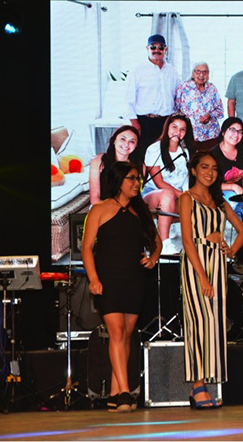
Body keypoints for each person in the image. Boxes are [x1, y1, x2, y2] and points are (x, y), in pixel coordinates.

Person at [82, 161, 161, 412]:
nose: (136, 183)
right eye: (131, 178)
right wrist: (94, 279)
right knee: (116, 332)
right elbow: (87, 248)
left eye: (138, 178)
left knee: (126, 334)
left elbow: (157, 242)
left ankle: (115, 394)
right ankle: (126, 392)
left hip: (135, 279)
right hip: (108, 280)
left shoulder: (141, 211)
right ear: (118, 181)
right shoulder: (99, 209)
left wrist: (153, 259)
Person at [180, 151, 243, 409]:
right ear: (194, 170)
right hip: (195, 263)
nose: (210, 173)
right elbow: (187, 240)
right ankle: (197, 384)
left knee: (215, 322)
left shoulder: (219, 202)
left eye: (214, 168)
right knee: (200, 321)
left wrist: (230, 250)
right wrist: (202, 277)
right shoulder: (186, 198)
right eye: (204, 167)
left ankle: (205, 385)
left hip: (217, 264)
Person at [143, 114, 196, 249]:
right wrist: (183, 196)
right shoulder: (154, 149)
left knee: (200, 203)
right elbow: (159, 182)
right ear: (167, 127)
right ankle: (164, 243)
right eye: (174, 127)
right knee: (167, 194)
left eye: (182, 129)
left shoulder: (185, 151)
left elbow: (186, 179)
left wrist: (189, 195)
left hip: (176, 196)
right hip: (153, 195)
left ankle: (166, 223)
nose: (178, 132)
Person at [125, 34, 181, 161]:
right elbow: (128, 98)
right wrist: (134, 122)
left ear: (166, 49)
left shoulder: (172, 71)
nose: (157, 50)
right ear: (147, 48)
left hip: (166, 122)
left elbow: (178, 96)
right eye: (153, 47)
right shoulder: (138, 70)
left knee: (163, 156)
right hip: (144, 122)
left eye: (160, 47)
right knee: (141, 156)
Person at [210, 117, 243, 226]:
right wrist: (233, 187)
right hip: (220, 194)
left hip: (240, 196)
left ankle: (232, 217)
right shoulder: (212, 154)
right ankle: (219, 217)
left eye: (240, 132)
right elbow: (209, 183)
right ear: (223, 132)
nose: (236, 134)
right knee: (232, 199)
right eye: (232, 130)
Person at [175, 62, 224, 151]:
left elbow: (220, 111)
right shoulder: (183, 88)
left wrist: (210, 115)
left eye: (205, 72)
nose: (201, 75)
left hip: (211, 136)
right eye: (198, 71)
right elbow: (176, 109)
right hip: (190, 136)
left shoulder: (212, 89)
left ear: (208, 74)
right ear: (193, 73)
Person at [88, 125, 142, 205]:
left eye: (132, 141)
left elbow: (136, 197)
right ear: (114, 140)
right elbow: (95, 198)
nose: (126, 144)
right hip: (102, 206)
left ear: (136, 146)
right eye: (123, 139)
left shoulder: (140, 166)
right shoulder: (98, 161)